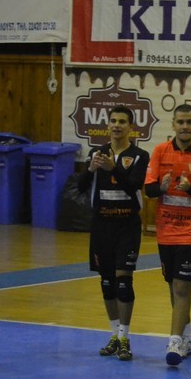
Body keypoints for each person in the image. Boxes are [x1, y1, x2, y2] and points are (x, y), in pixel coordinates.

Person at [144, 104, 191, 367]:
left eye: (189, 122)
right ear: (173, 124)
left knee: (182, 286)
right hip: (166, 230)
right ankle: (187, 336)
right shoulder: (160, 151)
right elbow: (149, 189)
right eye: (180, 122)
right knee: (173, 287)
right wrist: (161, 187)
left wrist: (189, 188)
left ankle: (174, 341)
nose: (185, 126)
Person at [79, 105, 150, 362]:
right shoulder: (96, 153)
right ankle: (113, 335)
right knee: (107, 283)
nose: (117, 125)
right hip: (101, 226)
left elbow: (134, 186)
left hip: (126, 226)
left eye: (122, 121)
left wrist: (113, 169)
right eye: (113, 121)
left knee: (123, 282)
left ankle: (125, 338)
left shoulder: (139, 155)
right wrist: (91, 169)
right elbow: (80, 187)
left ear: (131, 127)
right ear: (108, 125)